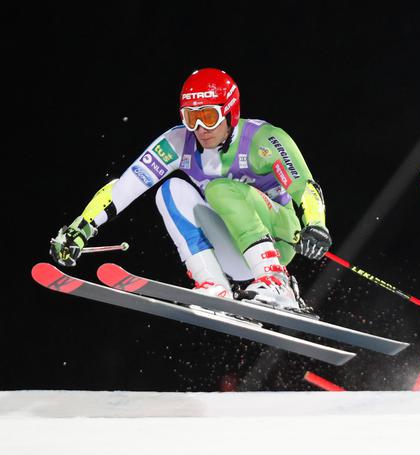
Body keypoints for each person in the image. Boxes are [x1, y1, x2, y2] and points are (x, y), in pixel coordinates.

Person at [49, 68, 332, 314]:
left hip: (279, 237)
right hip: (232, 249)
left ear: (230, 112)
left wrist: (316, 225)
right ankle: (213, 285)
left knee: (220, 189)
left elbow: (305, 187)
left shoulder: (263, 139)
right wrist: (80, 229)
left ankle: (277, 282)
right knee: (168, 191)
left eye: (208, 116)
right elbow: (125, 187)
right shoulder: (176, 142)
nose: (199, 128)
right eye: (190, 117)